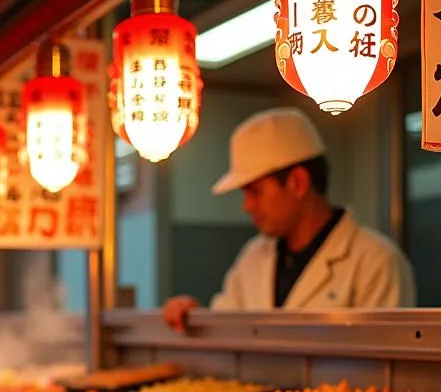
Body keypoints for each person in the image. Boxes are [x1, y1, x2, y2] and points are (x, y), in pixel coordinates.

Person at [163, 108, 416, 330]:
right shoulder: (253, 258)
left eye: (255, 192)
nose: (246, 206)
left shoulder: (376, 262)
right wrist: (195, 316)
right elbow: (227, 333)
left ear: (297, 183)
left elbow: (382, 372)